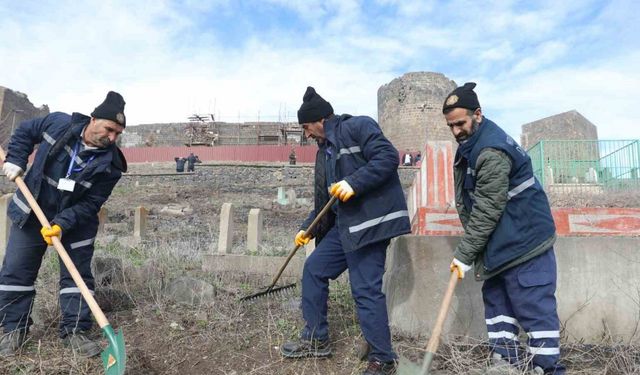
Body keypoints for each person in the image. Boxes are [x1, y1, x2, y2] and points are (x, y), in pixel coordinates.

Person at [280, 87, 410, 375]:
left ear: (319, 120)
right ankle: (316, 338)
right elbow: (328, 200)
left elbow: (388, 157)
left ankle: (383, 358)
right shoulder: (325, 152)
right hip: (345, 226)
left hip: (370, 225)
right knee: (314, 268)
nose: (307, 134)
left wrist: (355, 182)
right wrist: (307, 229)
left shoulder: (358, 126)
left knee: (364, 289)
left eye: (306, 127)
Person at [444, 83, 565, 375]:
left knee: (534, 309)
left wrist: (464, 254)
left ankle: (547, 369)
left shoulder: (491, 151)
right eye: (451, 126)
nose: (456, 131)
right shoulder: (472, 145)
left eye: (460, 123)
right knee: (497, 304)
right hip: (501, 244)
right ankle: (507, 363)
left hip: (525, 243)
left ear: (478, 115)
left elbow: (486, 210)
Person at [0, 91, 128, 357]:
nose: (113, 138)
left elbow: (91, 203)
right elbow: (25, 132)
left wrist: (61, 224)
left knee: (77, 277)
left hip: (75, 223)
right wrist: (16, 159)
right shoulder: (58, 123)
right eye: (110, 129)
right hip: (32, 213)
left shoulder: (112, 165)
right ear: (93, 120)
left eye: (118, 133)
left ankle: (75, 332)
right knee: (16, 272)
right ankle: (14, 329)